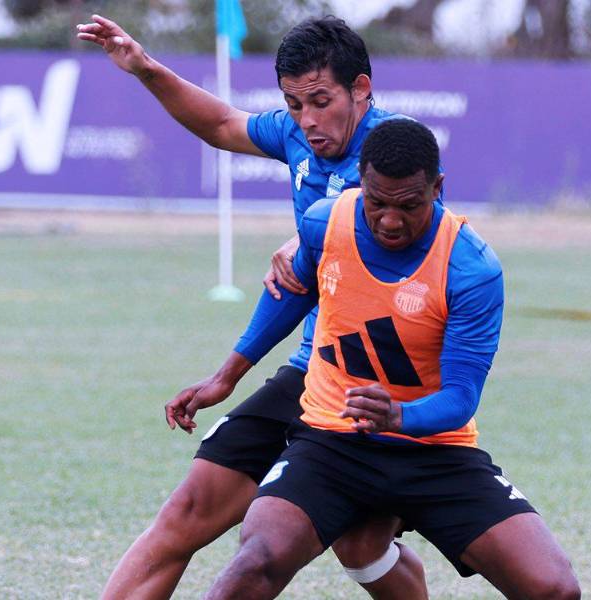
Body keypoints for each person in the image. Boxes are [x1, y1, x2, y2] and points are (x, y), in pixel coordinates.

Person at [76, 14, 431, 599]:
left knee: (360, 545)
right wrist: (145, 68)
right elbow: (221, 123)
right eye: (294, 104)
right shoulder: (297, 134)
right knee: (188, 510)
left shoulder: (394, 152)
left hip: (379, 385)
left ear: (360, 89)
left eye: (320, 101)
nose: (307, 120)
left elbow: (394, 227)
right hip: (311, 367)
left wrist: (314, 236)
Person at [174, 119, 581, 599]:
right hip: (331, 441)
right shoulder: (325, 223)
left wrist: (398, 416)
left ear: (437, 188)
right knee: (255, 562)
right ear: (362, 184)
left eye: (408, 205)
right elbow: (295, 290)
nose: (389, 221)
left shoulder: (470, 269)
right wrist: (227, 374)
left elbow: (460, 398)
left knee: (554, 588)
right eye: (377, 203)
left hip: (434, 450)